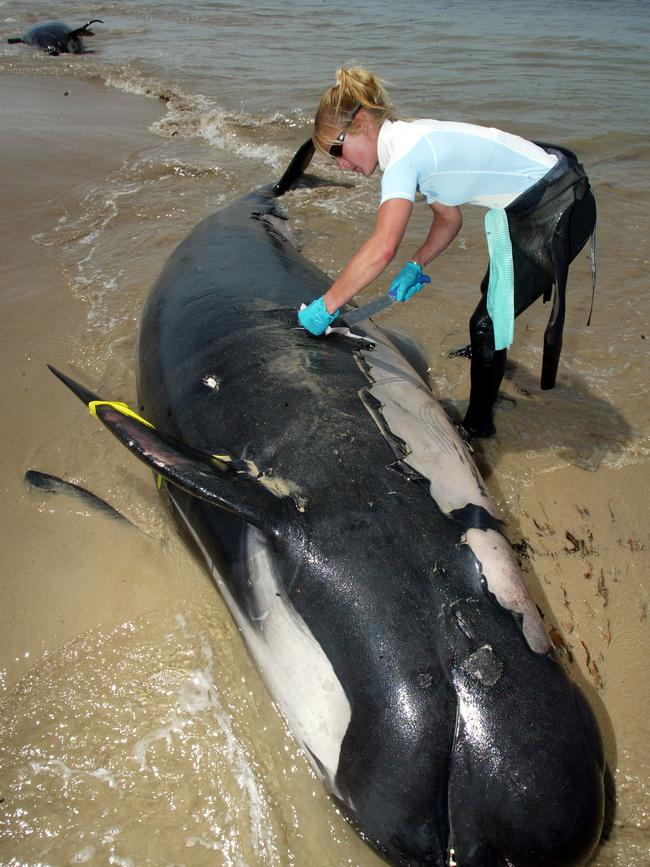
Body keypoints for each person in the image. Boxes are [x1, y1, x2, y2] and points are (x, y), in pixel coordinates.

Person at [298, 67, 596, 438]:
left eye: (338, 149)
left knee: (488, 323)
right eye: (332, 158)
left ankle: (477, 428)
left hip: (560, 207)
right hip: (530, 202)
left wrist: (325, 306)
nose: (341, 163)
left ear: (360, 121)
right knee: (492, 301)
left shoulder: (405, 155)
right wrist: (416, 264)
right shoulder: (410, 141)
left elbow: (381, 247)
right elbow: (448, 218)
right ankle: (486, 361)